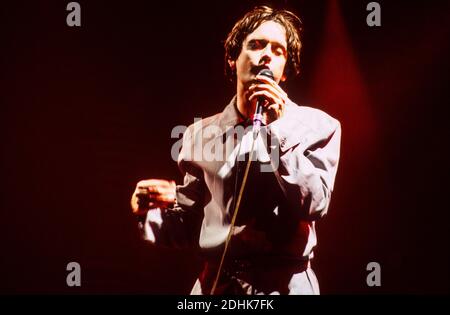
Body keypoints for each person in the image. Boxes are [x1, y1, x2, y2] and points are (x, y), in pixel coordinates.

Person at [130, 6, 341, 295]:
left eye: (278, 50)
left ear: (284, 71)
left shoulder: (317, 126)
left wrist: (275, 132)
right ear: (233, 58)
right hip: (217, 287)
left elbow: (315, 204)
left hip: (284, 286)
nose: (266, 54)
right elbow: (192, 224)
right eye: (255, 45)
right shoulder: (199, 134)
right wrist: (149, 213)